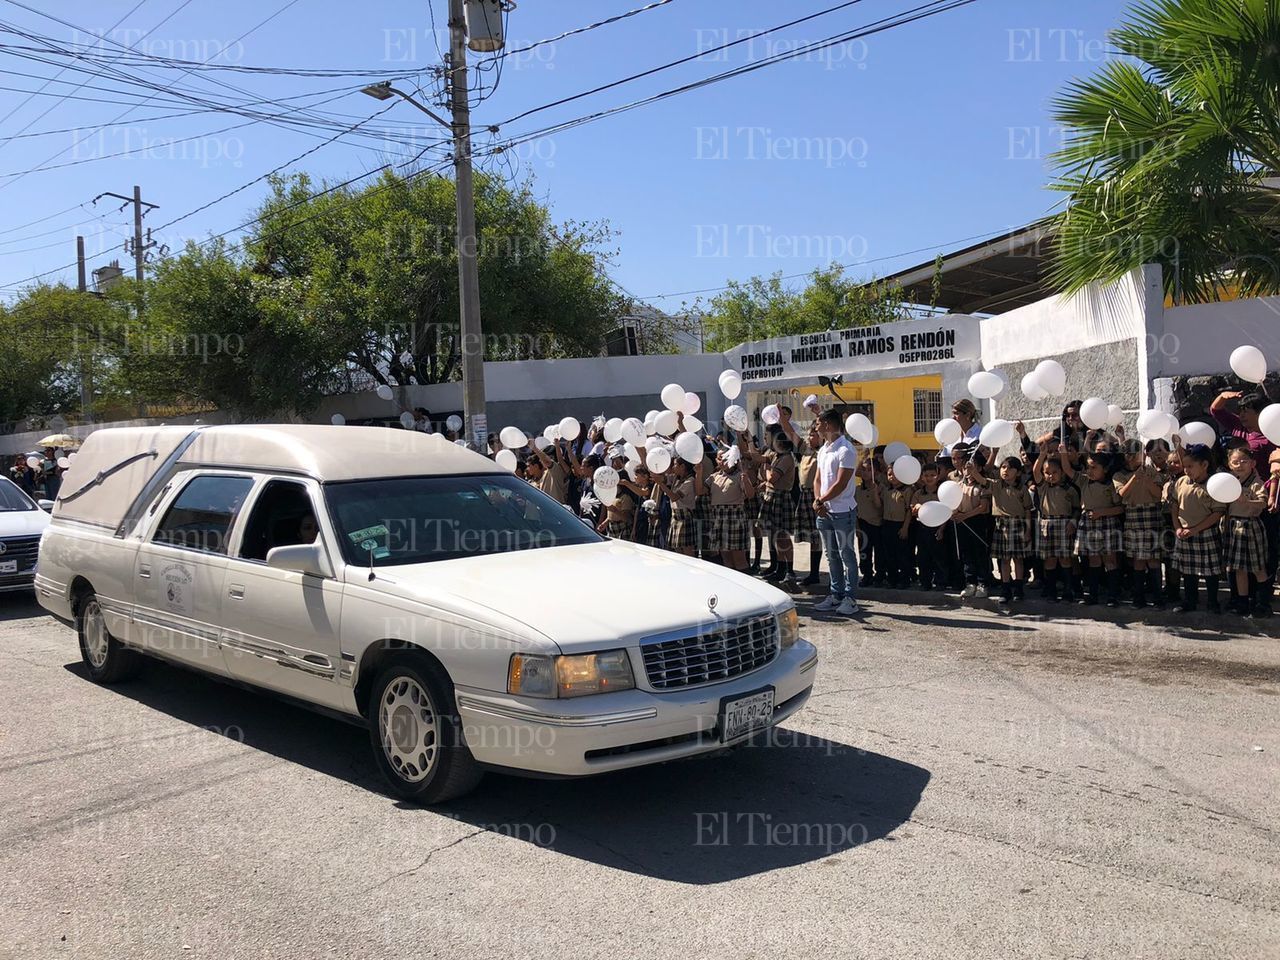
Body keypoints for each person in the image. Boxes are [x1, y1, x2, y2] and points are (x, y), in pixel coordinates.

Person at [812, 409, 859, 616]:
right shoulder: (823, 450)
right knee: (831, 556)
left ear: (827, 424)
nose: (815, 427)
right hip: (825, 511)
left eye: (817, 423)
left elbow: (841, 483)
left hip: (842, 511)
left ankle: (850, 598)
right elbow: (818, 480)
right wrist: (818, 501)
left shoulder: (846, 450)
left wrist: (822, 500)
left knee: (846, 554)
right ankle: (835, 594)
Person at [1171, 443, 1226, 613]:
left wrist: (1196, 529)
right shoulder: (1181, 482)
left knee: (1210, 571)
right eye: (1185, 466)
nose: (1186, 470)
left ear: (1204, 465)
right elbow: (1174, 506)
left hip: (1206, 532)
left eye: (1190, 466)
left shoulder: (1213, 484)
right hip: (1184, 533)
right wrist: (1177, 527)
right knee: (1188, 571)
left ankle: (1212, 602)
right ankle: (1190, 600)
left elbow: (1217, 513)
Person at [1065, 450, 1124, 606]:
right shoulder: (1084, 481)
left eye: (1094, 467)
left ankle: (1113, 595)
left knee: (1110, 560)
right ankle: (1093, 594)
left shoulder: (1111, 485)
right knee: (1093, 560)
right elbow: (1068, 469)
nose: (1089, 471)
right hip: (1089, 524)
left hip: (1107, 524)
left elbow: (1120, 508)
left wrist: (1102, 513)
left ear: (1104, 469)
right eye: (1088, 467)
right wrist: (1064, 452)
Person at [1114, 440, 1166, 608]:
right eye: (1139, 453)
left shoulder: (1150, 471)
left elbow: (1158, 495)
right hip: (1134, 516)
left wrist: (1146, 479)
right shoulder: (1119, 475)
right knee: (1138, 560)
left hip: (1151, 516)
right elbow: (1122, 494)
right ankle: (1138, 597)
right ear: (1129, 457)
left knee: (1153, 559)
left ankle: (1158, 597)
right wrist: (1135, 478)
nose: (1143, 456)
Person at [1223, 445, 1269, 617]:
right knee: (1238, 568)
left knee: (1258, 568)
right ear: (1229, 464)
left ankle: (1262, 603)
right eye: (1235, 462)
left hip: (1251, 526)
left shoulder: (1256, 483)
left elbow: (1263, 503)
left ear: (1253, 463)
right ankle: (1242, 602)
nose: (1240, 465)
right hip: (1233, 526)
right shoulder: (1229, 482)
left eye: (1244, 461)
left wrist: (1247, 501)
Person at [1033, 442, 1081, 602]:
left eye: (1054, 472)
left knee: (1066, 558)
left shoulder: (1070, 489)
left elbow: (1076, 508)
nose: (1050, 475)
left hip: (1064, 524)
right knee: (1050, 559)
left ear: (1061, 473)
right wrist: (1041, 455)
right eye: (1047, 472)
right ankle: (1051, 589)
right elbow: (1035, 471)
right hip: (1047, 525)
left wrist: (1073, 522)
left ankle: (1069, 590)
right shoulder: (1043, 487)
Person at [983, 456, 1033, 603]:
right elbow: (981, 480)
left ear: (1018, 473)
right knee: (1004, 560)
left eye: (1010, 468)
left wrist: (1028, 530)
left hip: (1018, 524)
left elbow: (1028, 511)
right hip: (1001, 525)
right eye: (1003, 467)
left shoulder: (1022, 489)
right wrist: (972, 470)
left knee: (1018, 559)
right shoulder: (996, 485)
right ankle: (1005, 589)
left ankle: (1018, 588)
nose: (1005, 470)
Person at [949, 443, 993, 598]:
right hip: (962, 522)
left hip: (977, 522)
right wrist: (955, 513)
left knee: (980, 554)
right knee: (966, 554)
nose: (968, 470)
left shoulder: (983, 485)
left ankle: (983, 583)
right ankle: (970, 583)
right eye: (967, 467)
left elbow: (983, 507)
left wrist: (964, 516)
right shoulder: (959, 484)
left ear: (979, 468)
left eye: (972, 467)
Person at [707, 446, 754, 572]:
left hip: (734, 519)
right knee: (725, 557)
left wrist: (746, 480)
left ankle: (745, 585)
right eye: (718, 459)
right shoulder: (714, 477)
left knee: (738, 557)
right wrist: (699, 471)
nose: (721, 461)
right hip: (719, 518)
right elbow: (700, 491)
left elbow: (750, 495)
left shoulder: (739, 475)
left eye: (724, 458)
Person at [760, 433, 797, 587]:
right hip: (773, 496)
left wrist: (768, 469)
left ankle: (790, 569)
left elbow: (772, 478)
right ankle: (780, 568)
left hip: (781, 498)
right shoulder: (777, 456)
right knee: (776, 535)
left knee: (783, 535)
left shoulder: (786, 458)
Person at [792, 425, 823, 588]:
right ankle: (813, 573)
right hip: (803, 494)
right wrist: (781, 417)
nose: (810, 438)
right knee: (811, 535)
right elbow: (790, 432)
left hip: (816, 494)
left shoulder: (823, 452)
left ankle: (815, 573)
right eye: (809, 435)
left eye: (813, 435)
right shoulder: (805, 449)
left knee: (817, 536)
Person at [910, 462, 946, 592]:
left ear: (938, 476)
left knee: (938, 556)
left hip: (938, 528)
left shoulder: (942, 493)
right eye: (926, 475)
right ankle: (925, 582)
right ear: (922, 477)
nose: (929, 478)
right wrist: (918, 508)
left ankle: (940, 582)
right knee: (923, 556)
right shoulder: (918, 493)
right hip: (922, 528)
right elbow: (913, 510)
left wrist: (942, 529)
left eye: (932, 475)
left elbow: (947, 512)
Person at [881, 462, 913, 589]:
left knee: (903, 554)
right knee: (889, 554)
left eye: (895, 474)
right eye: (889, 474)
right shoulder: (886, 490)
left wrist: (905, 527)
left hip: (900, 524)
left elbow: (909, 510)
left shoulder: (907, 490)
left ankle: (905, 579)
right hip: (887, 523)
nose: (892, 477)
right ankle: (892, 579)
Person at [854, 456, 883, 587]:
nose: (865, 473)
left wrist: (875, 492)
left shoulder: (880, 487)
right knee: (864, 552)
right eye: (864, 470)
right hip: (862, 524)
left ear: (876, 472)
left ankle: (880, 575)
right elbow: (855, 510)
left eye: (869, 470)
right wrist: (857, 527)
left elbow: (879, 506)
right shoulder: (858, 489)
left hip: (877, 525)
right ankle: (867, 575)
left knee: (879, 553)